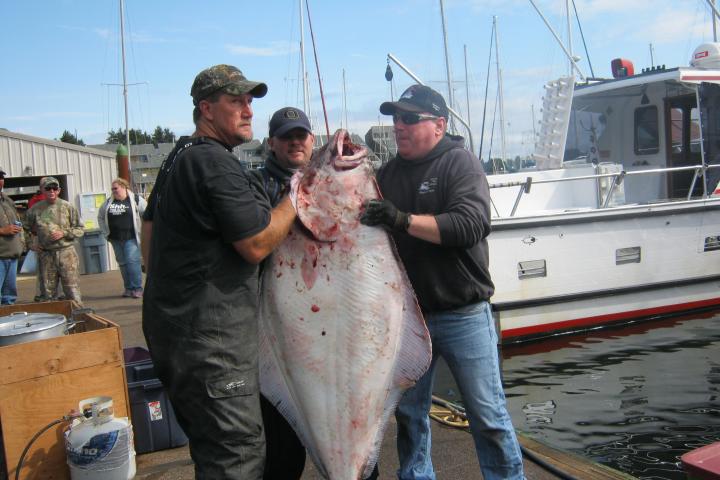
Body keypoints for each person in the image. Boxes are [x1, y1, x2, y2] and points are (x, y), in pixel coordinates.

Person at [360, 84, 525, 480]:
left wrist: (402, 220)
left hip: (463, 313)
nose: (398, 125)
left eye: (409, 118)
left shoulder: (460, 163)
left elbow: (470, 225)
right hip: (410, 318)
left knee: (487, 414)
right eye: (395, 117)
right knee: (410, 415)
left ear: (438, 124)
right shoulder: (387, 175)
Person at [141, 64, 296, 479]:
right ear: (206, 109)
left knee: (213, 453)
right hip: (215, 351)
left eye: (249, 101)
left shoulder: (179, 157)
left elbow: (149, 229)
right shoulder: (215, 163)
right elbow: (257, 244)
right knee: (237, 457)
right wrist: (300, 197)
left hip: (177, 341)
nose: (248, 110)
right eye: (236, 101)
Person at [253, 106, 315, 480]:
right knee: (283, 452)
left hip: (325, 324)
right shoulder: (257, 186)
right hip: (277, 330)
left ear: (311, 140)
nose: (295, 142)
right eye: (286, 136)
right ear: (272, 143)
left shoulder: (322, 183)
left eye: (301, 135)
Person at [24, 176, 84, 304]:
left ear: (59, 190)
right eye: (48, 188)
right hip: (46, 255)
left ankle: (78, 318)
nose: (51, 191)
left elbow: (80, 229)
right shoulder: (34, 210)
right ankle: (54, 320)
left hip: (66, 253)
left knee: (72, 290)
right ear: (42, 190)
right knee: (48, 293)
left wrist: (64, 233)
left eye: (54, 188)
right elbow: (24, 229)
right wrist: (31, 244)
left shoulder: (68, 207)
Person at [97, 177, 147, 298]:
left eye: (116, 188)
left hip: (131, 238)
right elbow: (100, 217)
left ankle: (137, 288)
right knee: (123, 264)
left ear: (124, 187)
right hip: (115, 238)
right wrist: (105, 233)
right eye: (112, 189)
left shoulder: (135, 200)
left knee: (132, 262)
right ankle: (128, 288)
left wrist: (145, 232)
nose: (113, 191)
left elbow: (147, 213)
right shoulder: (109, 202)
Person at [0, 169, 25, 304]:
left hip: (12, 255)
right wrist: (2, 231)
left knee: (9, 298)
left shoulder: (7, 200)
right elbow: (5, 229)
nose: (0, 180)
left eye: (1, 177)